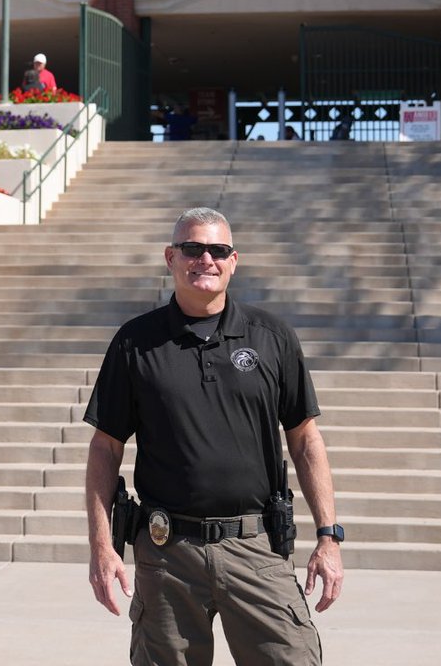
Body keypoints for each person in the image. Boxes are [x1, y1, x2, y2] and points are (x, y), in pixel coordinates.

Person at [85, 205, 343, 666]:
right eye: (192, 248)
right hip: (167, 554)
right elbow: (105, 448)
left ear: (233, 261)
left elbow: (306, 439)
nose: (206, 259)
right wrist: (102, 548)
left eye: (218, 250)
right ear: (171, 257)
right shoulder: (134, 342)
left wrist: (329, 537)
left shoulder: (272, 337)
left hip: (256, 548)